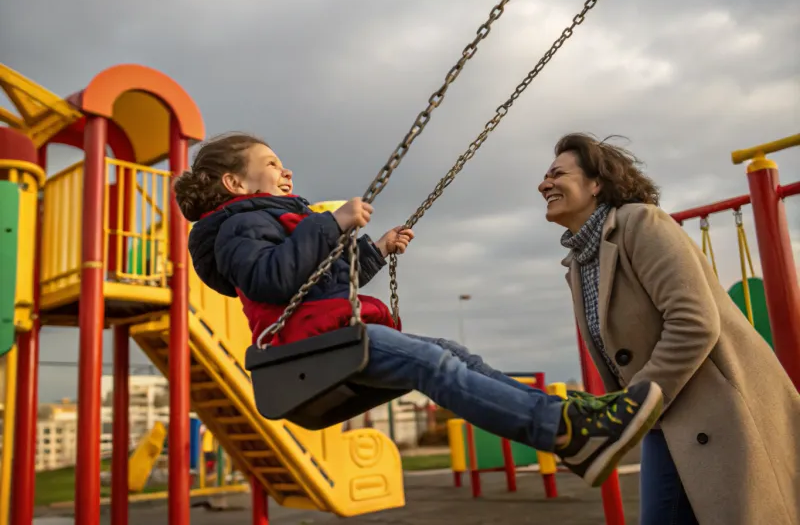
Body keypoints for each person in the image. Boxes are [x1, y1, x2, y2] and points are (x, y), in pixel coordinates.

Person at [174, 132, 664, 488]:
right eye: (274, 162)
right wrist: (331, 223)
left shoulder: (277, 219)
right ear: (236, 183)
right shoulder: (240, 225)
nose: (287, 171)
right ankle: (562, 430)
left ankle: (570, 421)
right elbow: (270, 279)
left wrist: (376, 250)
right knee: (435, 365)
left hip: (329, 332)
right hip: (305, 348)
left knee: (452, 353)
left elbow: (319, 282)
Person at [538, 133, 800, 524]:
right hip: (665, 419)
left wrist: (634, 404)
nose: (544, 184)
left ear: (596, 183)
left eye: (557, 174)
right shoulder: (578, 263)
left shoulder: (641, 223)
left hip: (721, 412)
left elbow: (693, 322)